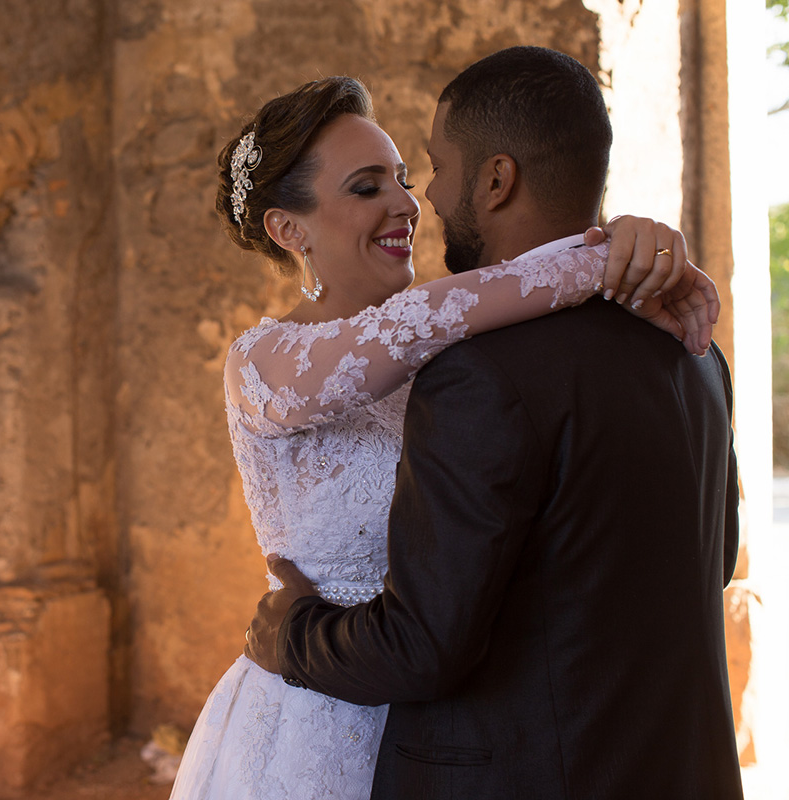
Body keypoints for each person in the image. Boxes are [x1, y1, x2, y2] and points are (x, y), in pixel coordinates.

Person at [170, 63, 722, 800]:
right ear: (287, 228)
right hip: (321, 719)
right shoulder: (268, 363)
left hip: (457, 718)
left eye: (406, 176)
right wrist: (611, 256)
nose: (409, 201)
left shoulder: (460, 353)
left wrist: (626, 252)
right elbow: (428, 318)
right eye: (367, 187)